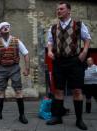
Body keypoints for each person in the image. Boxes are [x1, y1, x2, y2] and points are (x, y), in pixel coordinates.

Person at [46, 2, 91, 130]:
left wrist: (84, 52)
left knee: (77, 90)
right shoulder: (53, 27)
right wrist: (49, 51)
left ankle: (79, 120)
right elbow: (50, 41)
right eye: (57, 9)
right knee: (58, 90)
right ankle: (58, 117)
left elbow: (87, 39)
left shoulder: (79, 25)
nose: (58, 11)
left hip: (74, 61)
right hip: (58, 61)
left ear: (69, 11)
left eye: (61, 9)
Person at [0, 22, 30, 124]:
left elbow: (26, 54)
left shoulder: (16, 41)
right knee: (0, 91)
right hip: (1, 69)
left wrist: (27, 68)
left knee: (18, 91)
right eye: (3, 27)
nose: (6, 28)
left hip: (14, 68)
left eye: (7, 27)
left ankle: (22, 115)